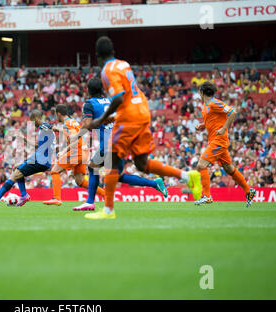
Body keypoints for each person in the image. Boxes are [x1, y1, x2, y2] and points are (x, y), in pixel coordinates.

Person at [85, 36, 202, 220]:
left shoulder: (107, 71)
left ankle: (108, 210)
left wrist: (101, 119)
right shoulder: (124, 64)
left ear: (98, 55)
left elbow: (118, 98)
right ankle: (188, 176)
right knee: (142, 164)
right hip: (143, 111)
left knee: (112, 162)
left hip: (129, 117)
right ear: (113, 51)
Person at [72, 77, 168, 211]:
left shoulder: (89, 104)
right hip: (121, 141)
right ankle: (154, 184)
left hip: (108, 144)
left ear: (88, 90)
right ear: (102, 88)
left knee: (93, 167)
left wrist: (76, 137)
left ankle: (89, 202)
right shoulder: (111, 101)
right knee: (119, 176)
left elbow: (87, 125)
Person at [195, 81, 256, 207]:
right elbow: (214, 120)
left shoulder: (213, 102)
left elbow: (232, 112)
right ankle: (249, 191)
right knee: (229, 168)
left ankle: (206, 196)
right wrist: (202, 125)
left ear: (202, 92)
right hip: (215, 140)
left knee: (201, 164)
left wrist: (224, 128)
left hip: (219, 140)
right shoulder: (206, 106)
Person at [0, 110, 55, 207]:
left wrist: (64, 130)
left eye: (32, 121)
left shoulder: (43, 125)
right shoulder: (42, 130)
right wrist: (25, 139)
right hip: (39, 159)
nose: (32, 124)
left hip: (39, 160)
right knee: (16, 168)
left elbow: (53, 128)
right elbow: (39, 145)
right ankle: (23, 195)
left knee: (14, 175)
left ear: (36, 118)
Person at [43, 104, 105, 206]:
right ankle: (104, 193)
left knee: (54, 170)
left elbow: (74, 141)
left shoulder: (67, 124)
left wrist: (63, 152)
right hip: (84, 153)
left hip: (76, 152)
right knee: (80, 181)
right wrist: (54, 128)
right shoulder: (73, 122)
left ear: (58, 114)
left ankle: (57, 198)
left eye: (56, 115)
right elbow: (72, 134)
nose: (55, 117)